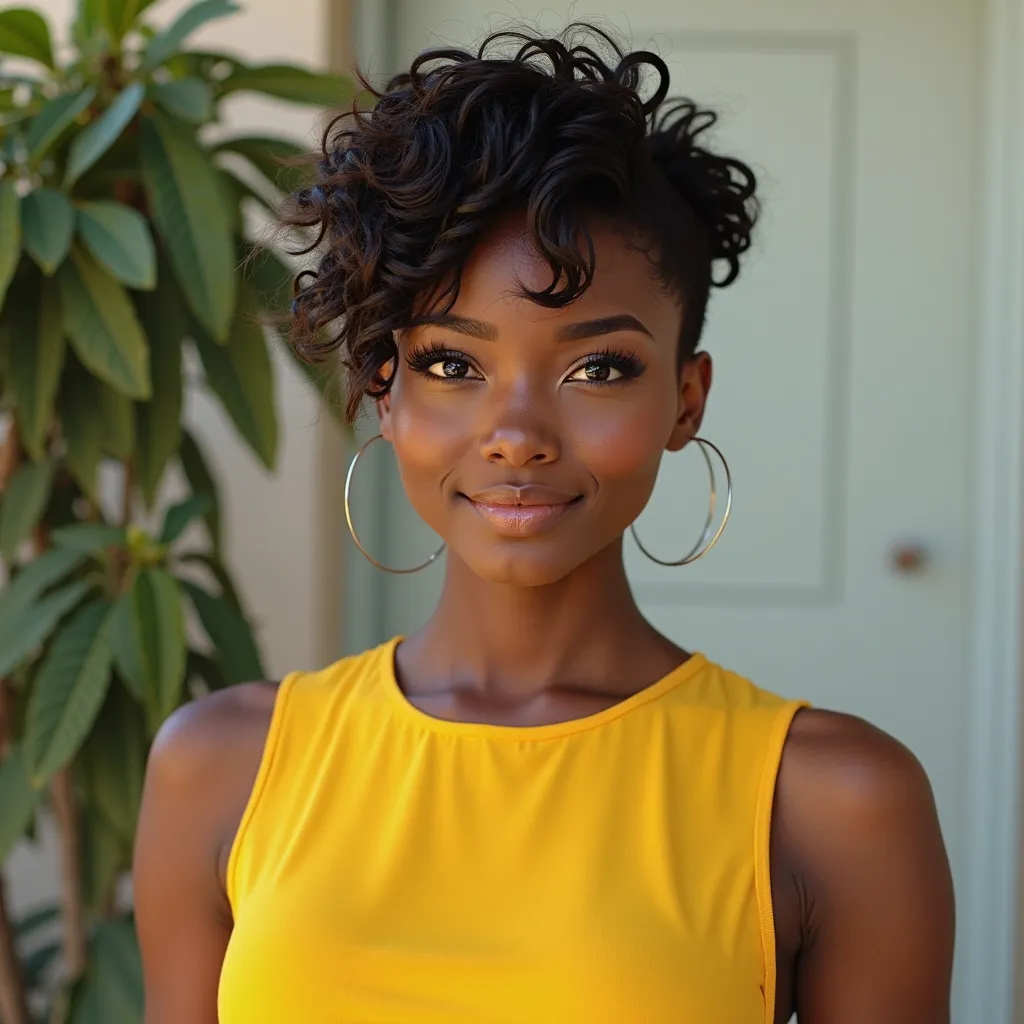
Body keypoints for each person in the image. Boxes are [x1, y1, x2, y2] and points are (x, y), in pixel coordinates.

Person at [133, 25, 955, 1024]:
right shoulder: (221, 762)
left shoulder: (834, 800)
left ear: (685, 400)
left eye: (596, 367)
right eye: (452, 363)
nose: (516, 435)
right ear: (383, 391)